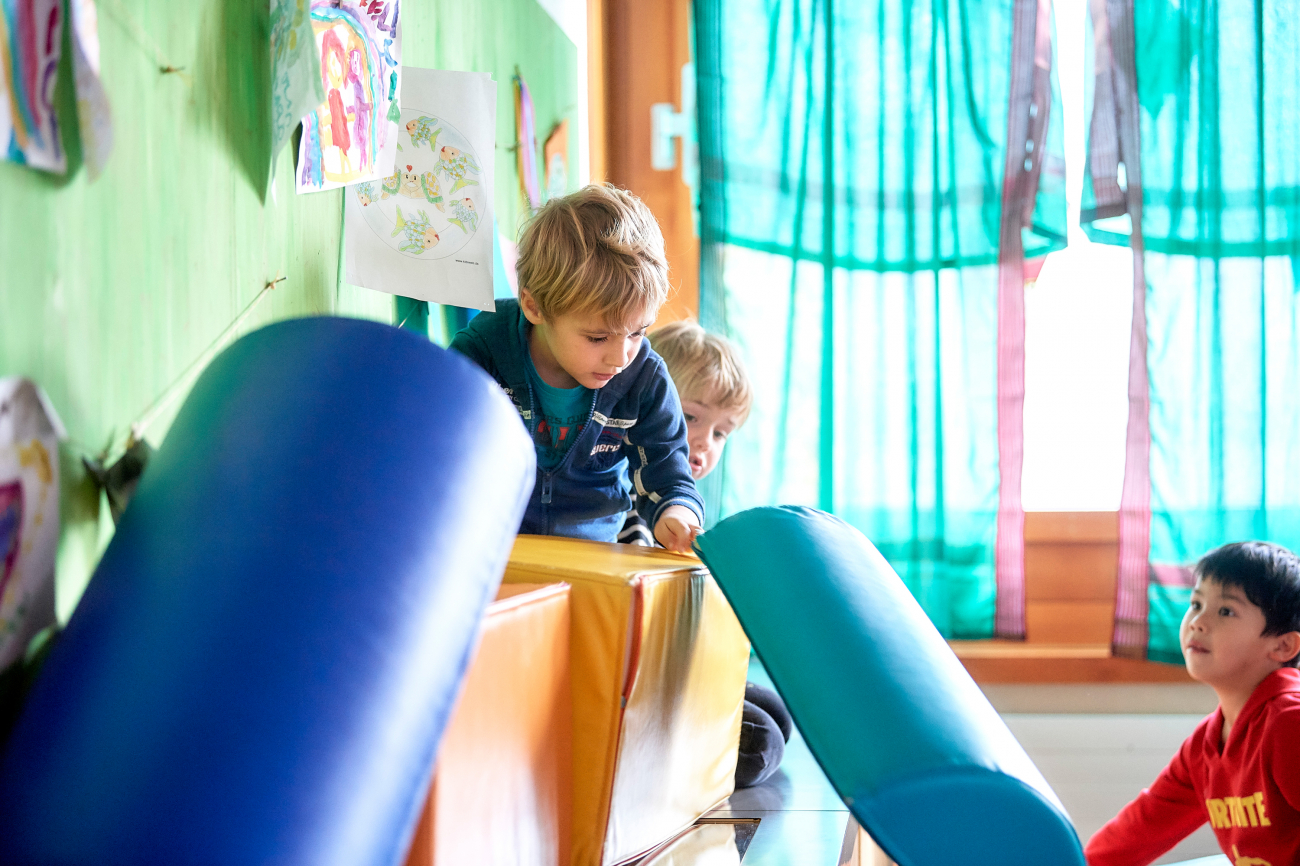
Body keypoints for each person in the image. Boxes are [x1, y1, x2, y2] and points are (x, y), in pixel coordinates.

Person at [450, 184, 702, 552]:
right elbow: (440, 435)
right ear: (534, 307)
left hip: (591, 550)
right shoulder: (487, 348)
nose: (621, 357)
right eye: (598, 338)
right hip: (493, 539)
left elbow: (669, 474)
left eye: (637, 331)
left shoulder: (644, 380)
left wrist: (678, 514)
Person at [1086, 541, 1300, 866]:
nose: (1198, 621)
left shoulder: (1288, 723)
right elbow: (1140, 831)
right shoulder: (1203, 747)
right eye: (1196, 603)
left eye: (1225, 611)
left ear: (1283, 646)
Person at [617, 320, 752, 545]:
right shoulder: (622, 496)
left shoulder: (683, 508)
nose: (706, 443)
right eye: (690, 417)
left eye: (719, 433)